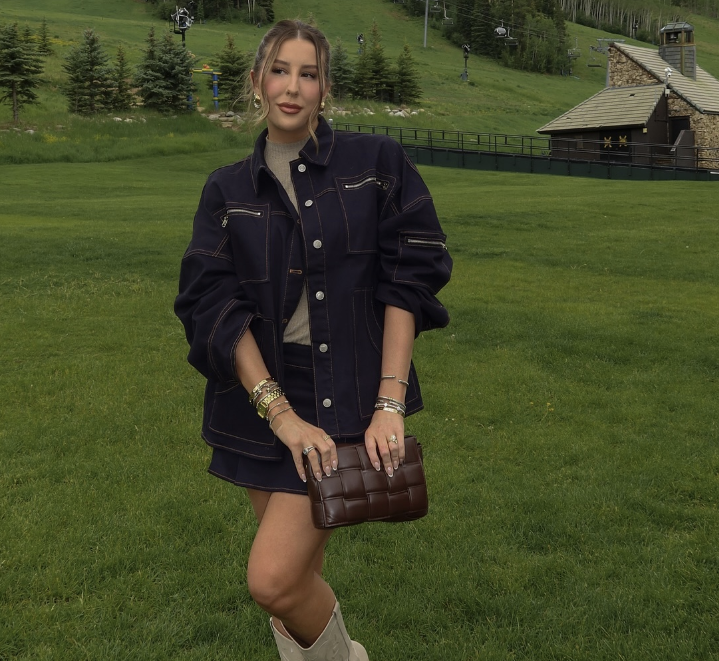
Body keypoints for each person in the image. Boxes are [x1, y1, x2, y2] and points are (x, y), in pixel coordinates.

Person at [174, 19, 452, 661]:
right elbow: (212, 304)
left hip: (347, 388)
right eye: (278, 70)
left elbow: (406, 280)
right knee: (293, 579)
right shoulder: (226, 188)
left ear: (325, 88)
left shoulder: (375, 163)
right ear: (255, 83)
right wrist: (280, 415)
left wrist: (388, 404)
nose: (291, 87)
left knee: (272, 578)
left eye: (307, 74)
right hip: (261, 399)